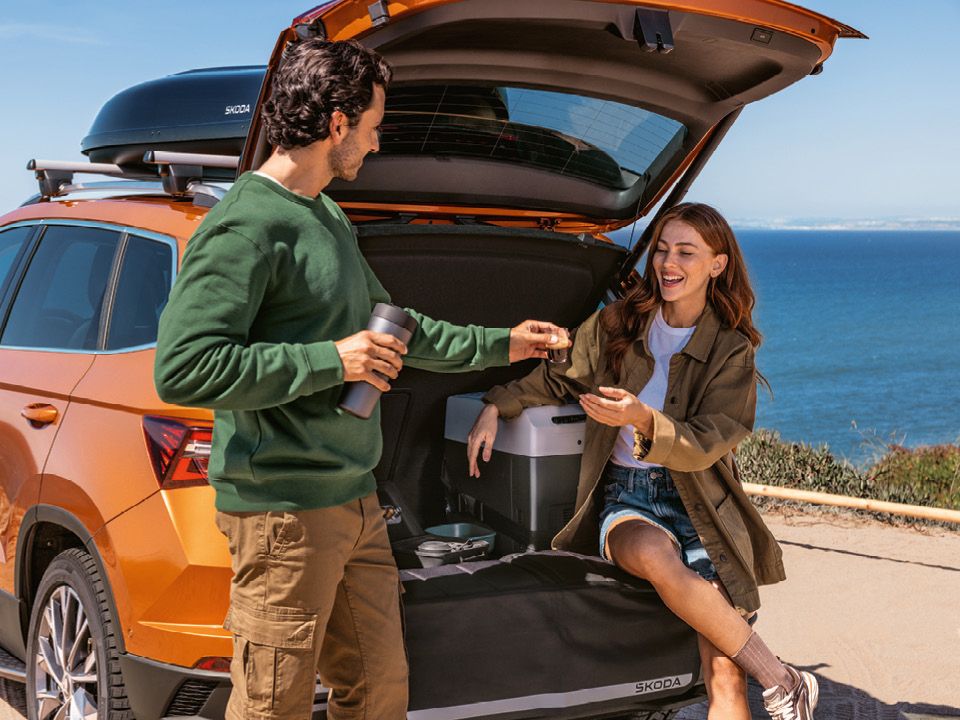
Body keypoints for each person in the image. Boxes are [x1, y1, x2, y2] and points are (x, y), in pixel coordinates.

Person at [154, 38, 563, 720]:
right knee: (272, 706)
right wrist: (330, 361)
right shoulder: (245, 226)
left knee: (377, 692)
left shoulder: (325, 215)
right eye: (372, 128)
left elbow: (395, 329)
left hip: (353, 501)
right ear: (337, 124)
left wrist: (508, 342)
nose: (374, 146)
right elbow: (185, 367)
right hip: (283, 514)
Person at [467, 202, 816, 720]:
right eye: (662, 250)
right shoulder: (621, 320)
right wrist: (498, 403)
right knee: (654, 555)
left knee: (724, 675)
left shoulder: (732, 349)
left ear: (717, 265)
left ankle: (774, 681)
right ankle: (782, 679)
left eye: (686, 253)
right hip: (629, 499)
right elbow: (561, 374)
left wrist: (644, 420)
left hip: (702, 508)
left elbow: (713, 438)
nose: (667, 263)